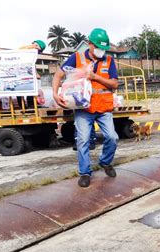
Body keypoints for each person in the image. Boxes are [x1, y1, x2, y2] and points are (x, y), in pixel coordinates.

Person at [52, 28, 119, 188]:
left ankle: (105, 162)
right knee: (82, 140)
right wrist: (55, 93)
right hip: (83, 108)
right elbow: (58, 75)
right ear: (89, 44)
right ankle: (85, 173)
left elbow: (114, 84)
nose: (101, 51)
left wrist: (95, 77)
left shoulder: (109, 61)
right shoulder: (77, 57)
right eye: (98, 47)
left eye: (104, 48)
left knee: (112, 137)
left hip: (103, 108)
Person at [18, 40, 46, 109]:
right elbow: (19, 49)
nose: (38, 52)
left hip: (28, 75)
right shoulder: (26, 50)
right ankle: (22, 106)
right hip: (20, 73)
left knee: (31, 89)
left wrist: (36, 74)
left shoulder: (32, 55)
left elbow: (33, 65)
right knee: (19, 90)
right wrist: (32, 47)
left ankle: (30, 105)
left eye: (39, 51)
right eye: (38, 50)